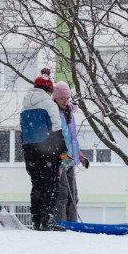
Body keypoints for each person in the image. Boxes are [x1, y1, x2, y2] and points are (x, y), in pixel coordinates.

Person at [19, 69, 63, 230]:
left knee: (37, 186)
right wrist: (62, 154)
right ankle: (48, 221)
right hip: (47, 151)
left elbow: (22, 133)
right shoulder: (49, 104)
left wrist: (27, 153)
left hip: (30, 153)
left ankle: (36, 221)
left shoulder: (24, 107)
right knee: (51, 186)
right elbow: (56, 129)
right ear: (48, 90)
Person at [51, 80, 90, 225]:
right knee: (61, 195)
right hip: (61, 160)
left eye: (67, 98)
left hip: (70, 160)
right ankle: (60, 224)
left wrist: (79, 155)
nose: (65, 101)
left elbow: (72, 138)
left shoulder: (69, 113)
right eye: (62, 98)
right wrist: (58, 158)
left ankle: (72, 224)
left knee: (73, 196)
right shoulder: (53, 113)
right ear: (55, 97)